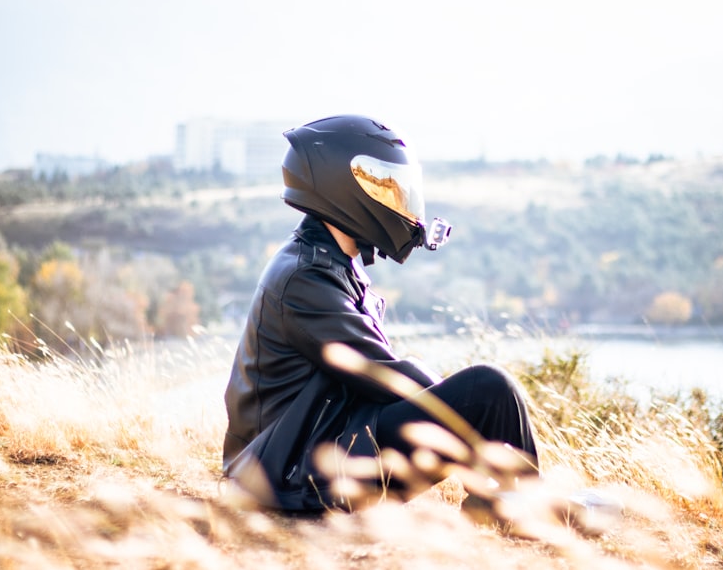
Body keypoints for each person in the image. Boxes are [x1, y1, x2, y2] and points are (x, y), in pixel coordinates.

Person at [222, 115, 539, 513]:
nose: (400, 203)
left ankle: (506, 506)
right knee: (490, 388)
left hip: (317, 451)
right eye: (384, 188)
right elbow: (381, 375)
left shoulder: (329, 261)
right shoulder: (305, 277)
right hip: (291, 472)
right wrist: (461, 402)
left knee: (485, 392)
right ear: (342, 189)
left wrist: (454, 405)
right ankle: (525, 510)